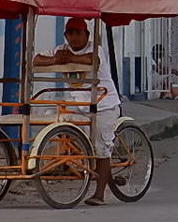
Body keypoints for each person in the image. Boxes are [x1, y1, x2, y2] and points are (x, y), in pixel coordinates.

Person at [33, 17, 120, 207]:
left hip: (103, 104)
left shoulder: (95, 49)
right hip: (79, 105)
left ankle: (99, 194)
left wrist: (70, 59)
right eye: (70, 33)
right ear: (66, 35)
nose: (74, 38)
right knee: (53, 117)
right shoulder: (61, 50)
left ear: (87, 35)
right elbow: (36, 60)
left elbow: (92, 60)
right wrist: (56, 59)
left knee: (100, 148)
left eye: (78, 33)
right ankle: (75, 161)